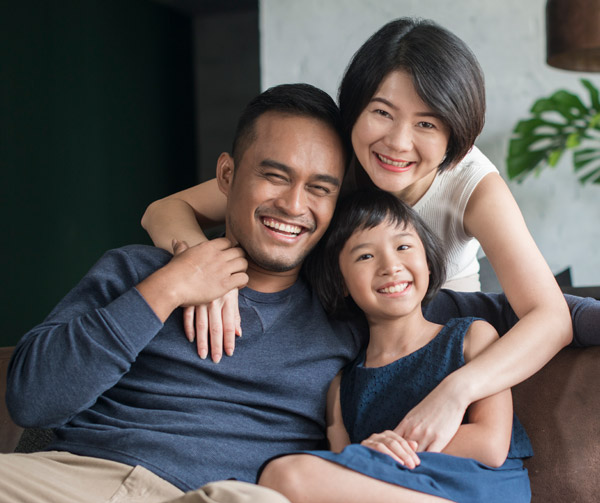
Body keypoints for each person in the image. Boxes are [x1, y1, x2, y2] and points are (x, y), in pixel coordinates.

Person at [140, 16, 600, 452]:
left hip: (428, 324)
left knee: (562, 315)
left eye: (426, 123)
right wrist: (202, 271)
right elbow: (165, 210)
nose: (397, 143)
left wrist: (457, 390)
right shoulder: (331, 158)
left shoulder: (472, 185)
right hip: (339, 316)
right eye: (382, 112)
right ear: (354, 109)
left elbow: (549, 317)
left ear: (455, 136)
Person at [1, 83, 355, 503]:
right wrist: (169, 287)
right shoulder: (136, 268)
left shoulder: (351, 319)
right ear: (227, 175)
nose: (294, 204)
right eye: (274, 176)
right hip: (64, 484)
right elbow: (31, 399)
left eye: (320, 188)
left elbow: (495, 315)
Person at [259, 188, 553, 503]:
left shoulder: (471, 338)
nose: (390, 265)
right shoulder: (342, 384)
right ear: (341, 281)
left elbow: (490, 445)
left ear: (429, 262)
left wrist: (390, 450)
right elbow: (346, 474)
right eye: (365, 255)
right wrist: (369, 453)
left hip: (480, 491)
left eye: (403, 246)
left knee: (283, 478)